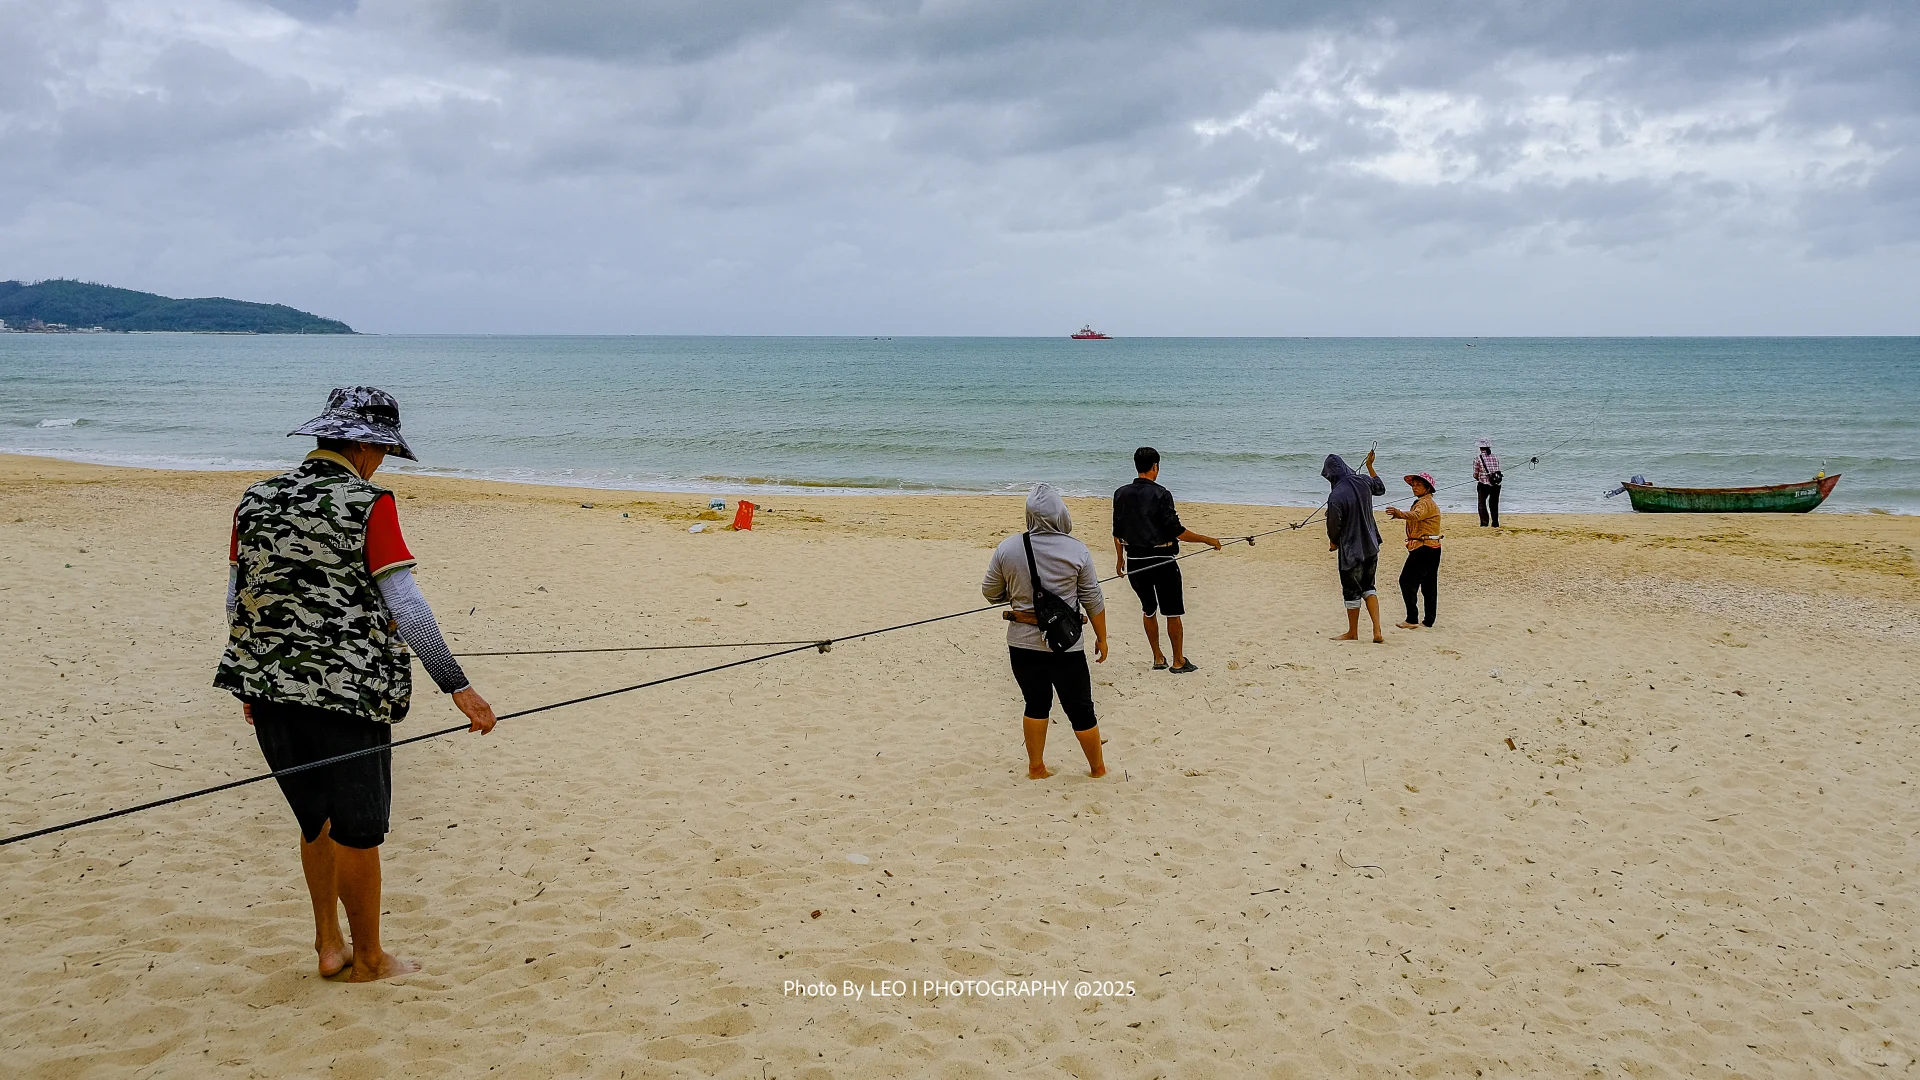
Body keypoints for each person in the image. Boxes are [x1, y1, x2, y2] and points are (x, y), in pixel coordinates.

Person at [215, 386, 497, 983]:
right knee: (358, 831)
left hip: (266, 686)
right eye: (384, 450)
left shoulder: (255, 499)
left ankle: (328, 944)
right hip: (347, 697)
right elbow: (407, 604)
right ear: (366, 445)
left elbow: (239, 596)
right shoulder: (369, 503)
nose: (384, 462)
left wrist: (249, 677)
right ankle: (368, 958)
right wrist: (458, 685)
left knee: (313, 821)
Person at [984, 483, 1111, 779]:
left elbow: (990, 592)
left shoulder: (1008, 548)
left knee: (1036, 703)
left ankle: (1036, 768)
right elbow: (1092, 597)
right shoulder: (1077, 549)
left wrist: (1018, 596)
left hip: (1021, 643)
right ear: (1061, 513)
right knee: (1080, 708)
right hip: (1066, 644)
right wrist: (1102, 638)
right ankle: (1097, 768)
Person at [1111, 447, 1221, 673]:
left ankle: (1158, 658)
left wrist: (1119, 558)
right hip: (1162, 562)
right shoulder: (1162, 494)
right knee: (1172, 611)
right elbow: (1177, 531)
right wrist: (1208, 540)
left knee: (1149, 609)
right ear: (1155, 467)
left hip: (1135, 562)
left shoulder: (1120, 493)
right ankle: (1178, 661)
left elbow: (1117, 531)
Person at [1323, 450, 1387, 642]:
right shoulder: (1364, 480)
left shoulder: (1335, 496)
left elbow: (1334, 525)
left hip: (1351, 550)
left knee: (1352, 591)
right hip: (1371, 545)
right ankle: (1377, 631)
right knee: (1369, 586)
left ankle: (1353, 632)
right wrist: (1370, 467)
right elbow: (1381, 488)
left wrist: (1333, 541)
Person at [1386, 472, 1443, 628]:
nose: (1414, 488)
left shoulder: (1424, 503)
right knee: (1428, 584)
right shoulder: (1426, 502)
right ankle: (1429, 620)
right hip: (1433, 548)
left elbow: (1416, 516)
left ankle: (1412, 619)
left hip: (1424, 548)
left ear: (1428, 488)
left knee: (1406, 581)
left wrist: (1399, 514)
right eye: (1414, 485)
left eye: (1418, 485)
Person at [1473, 437, 1503, 527]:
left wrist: (1478, 478)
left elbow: (1475, 474)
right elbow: (1497, 469)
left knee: (1482, 504)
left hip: (1484, 484)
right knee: (1494, 504)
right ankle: (1495, 523)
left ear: (1480, 448)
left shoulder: (1478, 459)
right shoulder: (1495, 457)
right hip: (1496, 483)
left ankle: (1484, 523)